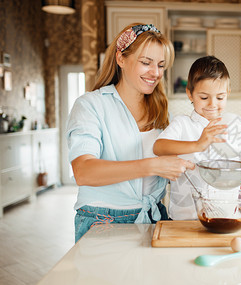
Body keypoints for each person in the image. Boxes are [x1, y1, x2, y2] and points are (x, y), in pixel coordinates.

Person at [66, 23, 194, 243]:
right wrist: (151, 165)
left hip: (155, 217)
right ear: (121, 59)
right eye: (146, 63)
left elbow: (181, 165)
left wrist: (223, 182)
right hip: (104, 221)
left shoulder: (163, 112)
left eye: (161, 65)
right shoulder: (91, 105)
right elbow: (83, 171)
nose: (155, 73)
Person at [153, 56, 241, 220]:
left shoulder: (235, 125)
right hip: (184, 222)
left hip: (226, 219)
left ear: (227, 94)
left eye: (220, 97)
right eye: (204, 97)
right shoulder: (182, 124)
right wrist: (198, 144)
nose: (212, 104)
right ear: (190, 94)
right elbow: (159, 147)